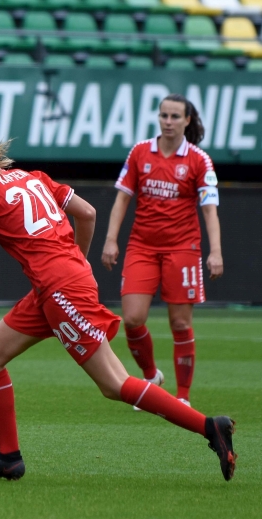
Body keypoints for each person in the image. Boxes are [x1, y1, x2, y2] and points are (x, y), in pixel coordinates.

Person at [0, 118, 236, 481]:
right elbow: (88, 213)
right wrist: (77, 260)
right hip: (54, 286)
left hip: (60, 290)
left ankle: (209, 427)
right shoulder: (32, 177)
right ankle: (9, 458)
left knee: (114, 383)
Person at [101, 94, 223, 409]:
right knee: (131, 318)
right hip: (142, 245)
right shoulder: (140, 152)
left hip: (183, 247)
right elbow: (122, 199)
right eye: (163, 115)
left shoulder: (198, 160)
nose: (168, 122)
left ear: (187, 121)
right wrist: (111, 239)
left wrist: (215, 251)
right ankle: (152, 376)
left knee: (180, 323)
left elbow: (209, 210)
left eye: (174, 116)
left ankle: (182, 397)